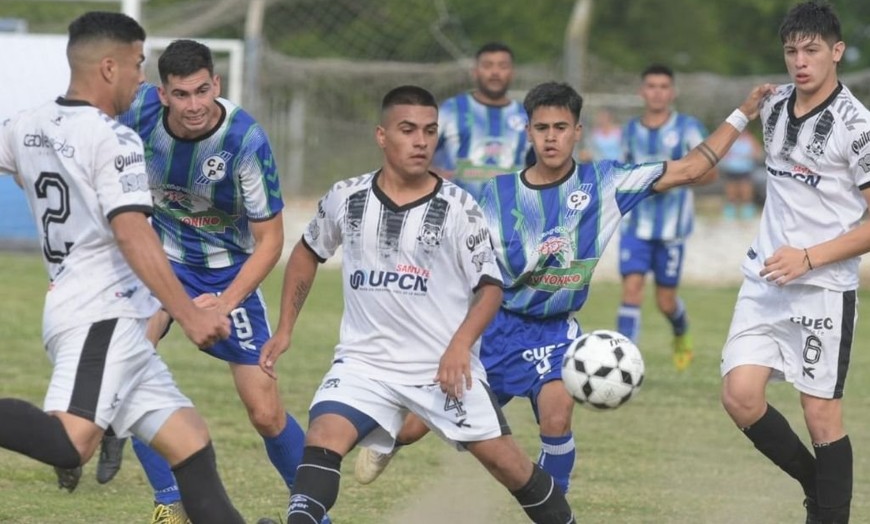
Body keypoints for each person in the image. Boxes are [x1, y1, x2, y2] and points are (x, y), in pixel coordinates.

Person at [353, 80, 773, 496]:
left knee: (557, 415)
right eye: (541, 128)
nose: (551, 137)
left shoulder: (606, 184)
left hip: (555, 332)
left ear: (577, 132)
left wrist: (744, 113)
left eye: (560, 127)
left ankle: (553, 506)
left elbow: (691, 167)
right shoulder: (495, 195)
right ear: (528, 132)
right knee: (414, 428)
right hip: (494, 330)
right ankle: (389, 437)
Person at [270, 85, 577, 524]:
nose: (420, 141)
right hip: (365, 363)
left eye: (430, 131)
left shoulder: (458, 208)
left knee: (509, 466)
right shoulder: (347, 197)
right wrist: (285, 328)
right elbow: (306, 252)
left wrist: (459, 347)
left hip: (441, 370)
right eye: (408, 130)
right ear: (382, 135)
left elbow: (490, 288)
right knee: (322, 438)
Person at [0, 11, 255, 524]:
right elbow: (133, 232)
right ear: (111, 67)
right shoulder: (115, 140)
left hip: (95, 313)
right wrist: (188, 314)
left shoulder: (25, 126)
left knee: (190, 444)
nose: (144, 78)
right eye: (139, 64)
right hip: (103, 314)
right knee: (72, 445)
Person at [62, 39, 312, 524]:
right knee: (126, 365)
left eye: (202, 91)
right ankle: (168, 501)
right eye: (181, 94)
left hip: (228, 271)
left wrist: (223, 303)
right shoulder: (135, 114)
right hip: (161, 260)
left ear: (216, 85)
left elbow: (270, 242)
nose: (194, 105)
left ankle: (312, 510)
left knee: (264, 411)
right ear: (163, 95)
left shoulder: (246, 142)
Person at [720, 0, 869, 524]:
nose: (800, 61)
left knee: (820, 415)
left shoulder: (858, 127)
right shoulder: (774, 105)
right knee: (739, 396)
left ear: (837, 52)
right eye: (791, 51)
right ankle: (821, 491)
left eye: (812, 50)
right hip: (764, 279)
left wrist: (808, 257)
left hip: (821, 286)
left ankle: (827, 510)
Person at [616, 64, 716, 370]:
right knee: (632, 289)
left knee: (665, 302)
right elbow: (619, 173)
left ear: (672, 92)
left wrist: (675, 178)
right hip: (635, 227)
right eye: (651, 86)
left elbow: (710, 173)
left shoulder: (687, 128)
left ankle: (681, 332)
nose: (657, 92)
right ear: (641, 91)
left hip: (672, 231)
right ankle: (623, 363)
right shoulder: (630, 131)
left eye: (663, 86)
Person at [432, 41, 532, 199]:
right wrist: (431, 173)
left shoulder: (526, 116)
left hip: (510, 215)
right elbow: (420, 149)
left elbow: (540, 165)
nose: (495, 72)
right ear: (475, 72)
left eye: (503, 66)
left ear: (512, 73)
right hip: (456, 215)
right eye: (487, 65)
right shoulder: (451, 109)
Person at [720, 130, 762, 220]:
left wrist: (752, 156)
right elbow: (722, 152)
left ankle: (747, 209)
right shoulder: (729, 139)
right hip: (731, 168)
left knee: (746, 189)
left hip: (745, 169)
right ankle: (731, 210)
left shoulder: (750, 139)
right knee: (731, 189)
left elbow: (758, 152)